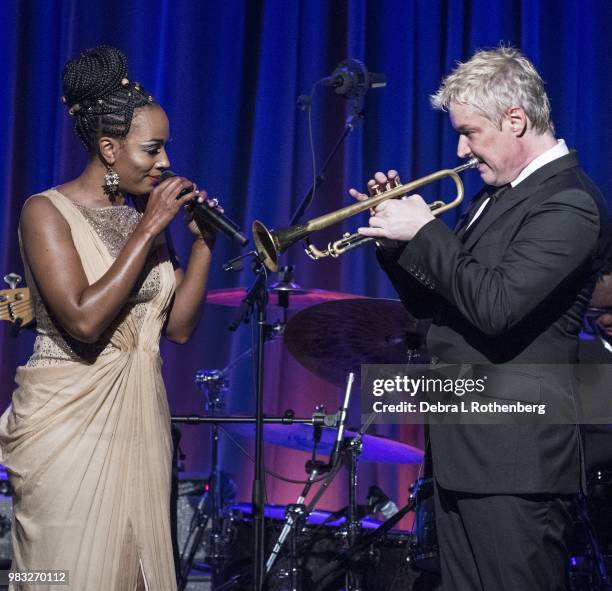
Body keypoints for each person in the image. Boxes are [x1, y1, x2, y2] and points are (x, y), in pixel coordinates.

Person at [351, 47, 610, 590]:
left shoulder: (569, 203)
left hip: (515, 459)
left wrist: (425, 232)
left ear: (516, 120)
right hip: (464, 446)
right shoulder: (498, 196)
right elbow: (440, 305)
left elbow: (497, 307)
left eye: (471, 133)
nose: (462, 150)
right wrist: (396, 245)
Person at [0, 46, 218, 590]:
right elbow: (82, 320)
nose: (164, 161)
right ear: (108, 147)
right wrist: (149, 231)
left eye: (165, 147)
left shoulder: (141, 218)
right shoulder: (44, 211)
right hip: (69, 424)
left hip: (141, 417)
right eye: (152, 148)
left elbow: (179, 329)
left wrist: (202, 247)